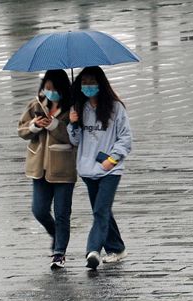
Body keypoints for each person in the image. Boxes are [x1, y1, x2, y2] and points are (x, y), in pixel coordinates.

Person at [68, 66, 132, 269]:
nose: (88, 87)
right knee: (102, 211)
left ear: (101, 84)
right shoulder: (79, 108)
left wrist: (112, 159)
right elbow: (75, 140)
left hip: (110, 169)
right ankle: (118, 248)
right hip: (88, 169)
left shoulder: (115, 108)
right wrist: (73, 124)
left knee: (100, 211)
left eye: (92, 83)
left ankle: (93, 250)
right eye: (84, 83)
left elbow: (126, 138)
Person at [16, 69, 76, 269]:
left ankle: (59, 253)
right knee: (39, 210)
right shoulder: (36, 105)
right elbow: (21, 130)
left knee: (62, 213)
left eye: (53, 89)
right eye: (46, 88)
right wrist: (34, 125)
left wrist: (54, 125)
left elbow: (73, 138)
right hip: (39, 169)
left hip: (63, 169)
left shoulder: (72, 109)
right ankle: (57, 235)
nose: (49, 92)